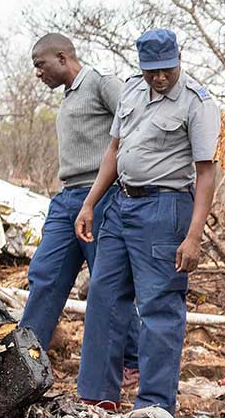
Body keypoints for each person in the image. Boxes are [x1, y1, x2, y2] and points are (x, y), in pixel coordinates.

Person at [76, 29, 219, 413]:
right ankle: (96, 396)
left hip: (165, 209)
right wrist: (90, 203)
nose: (159, 78)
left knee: (158, 308)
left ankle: (153, 407)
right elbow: (114, 150)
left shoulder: (197, 102)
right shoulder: (131, 91)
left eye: (166, 70)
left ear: (178, 60)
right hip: (120, 205)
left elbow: (206, 173)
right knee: (104, 298)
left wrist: (193, 237)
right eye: (151, 70)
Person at [23, 33, 140, 386]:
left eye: (40, 65)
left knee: (107, 284)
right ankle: (29, 357)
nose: (38, 73)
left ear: (62, 57)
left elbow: (135, 125)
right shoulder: (68, 98)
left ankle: (132, 361)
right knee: (44, 274)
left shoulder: (103, 85)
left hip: (101, 197)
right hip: (66, 199)